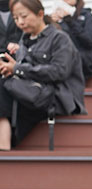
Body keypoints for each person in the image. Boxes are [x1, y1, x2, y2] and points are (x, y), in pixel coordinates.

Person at [0, 0, 85, 150]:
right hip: (33, 94)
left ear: (40, 14)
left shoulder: (60, 38)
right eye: (15, 18)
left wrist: (18, 68)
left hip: (56, 96)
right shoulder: (24, 41)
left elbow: (59, 72)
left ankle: (4, 146)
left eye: (24, 16)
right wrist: (13, 67)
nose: (20, 22)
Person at [50, 0, 92, 80]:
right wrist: (53, 23)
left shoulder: (87, 16)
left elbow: (89, 41)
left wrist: (69, 20)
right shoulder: (55, 18)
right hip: (61, 63)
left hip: (83, 63)